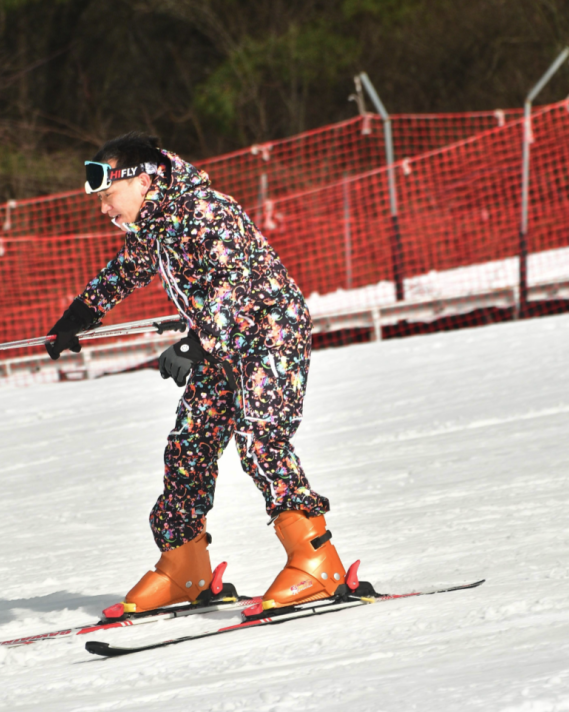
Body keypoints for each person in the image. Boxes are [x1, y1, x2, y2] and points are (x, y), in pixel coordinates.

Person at [45, 132, 347, 614]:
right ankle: (184, 567)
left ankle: (316, 561)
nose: (104, 210)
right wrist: (79, 315)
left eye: (107, 196)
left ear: (142, 179)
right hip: (219, 344)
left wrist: (193, 342)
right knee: (189, 447)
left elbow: (237, 286)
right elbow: (127, 270)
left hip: (267, 333)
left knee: (259, 439)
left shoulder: (205, 210)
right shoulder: (155, 225)